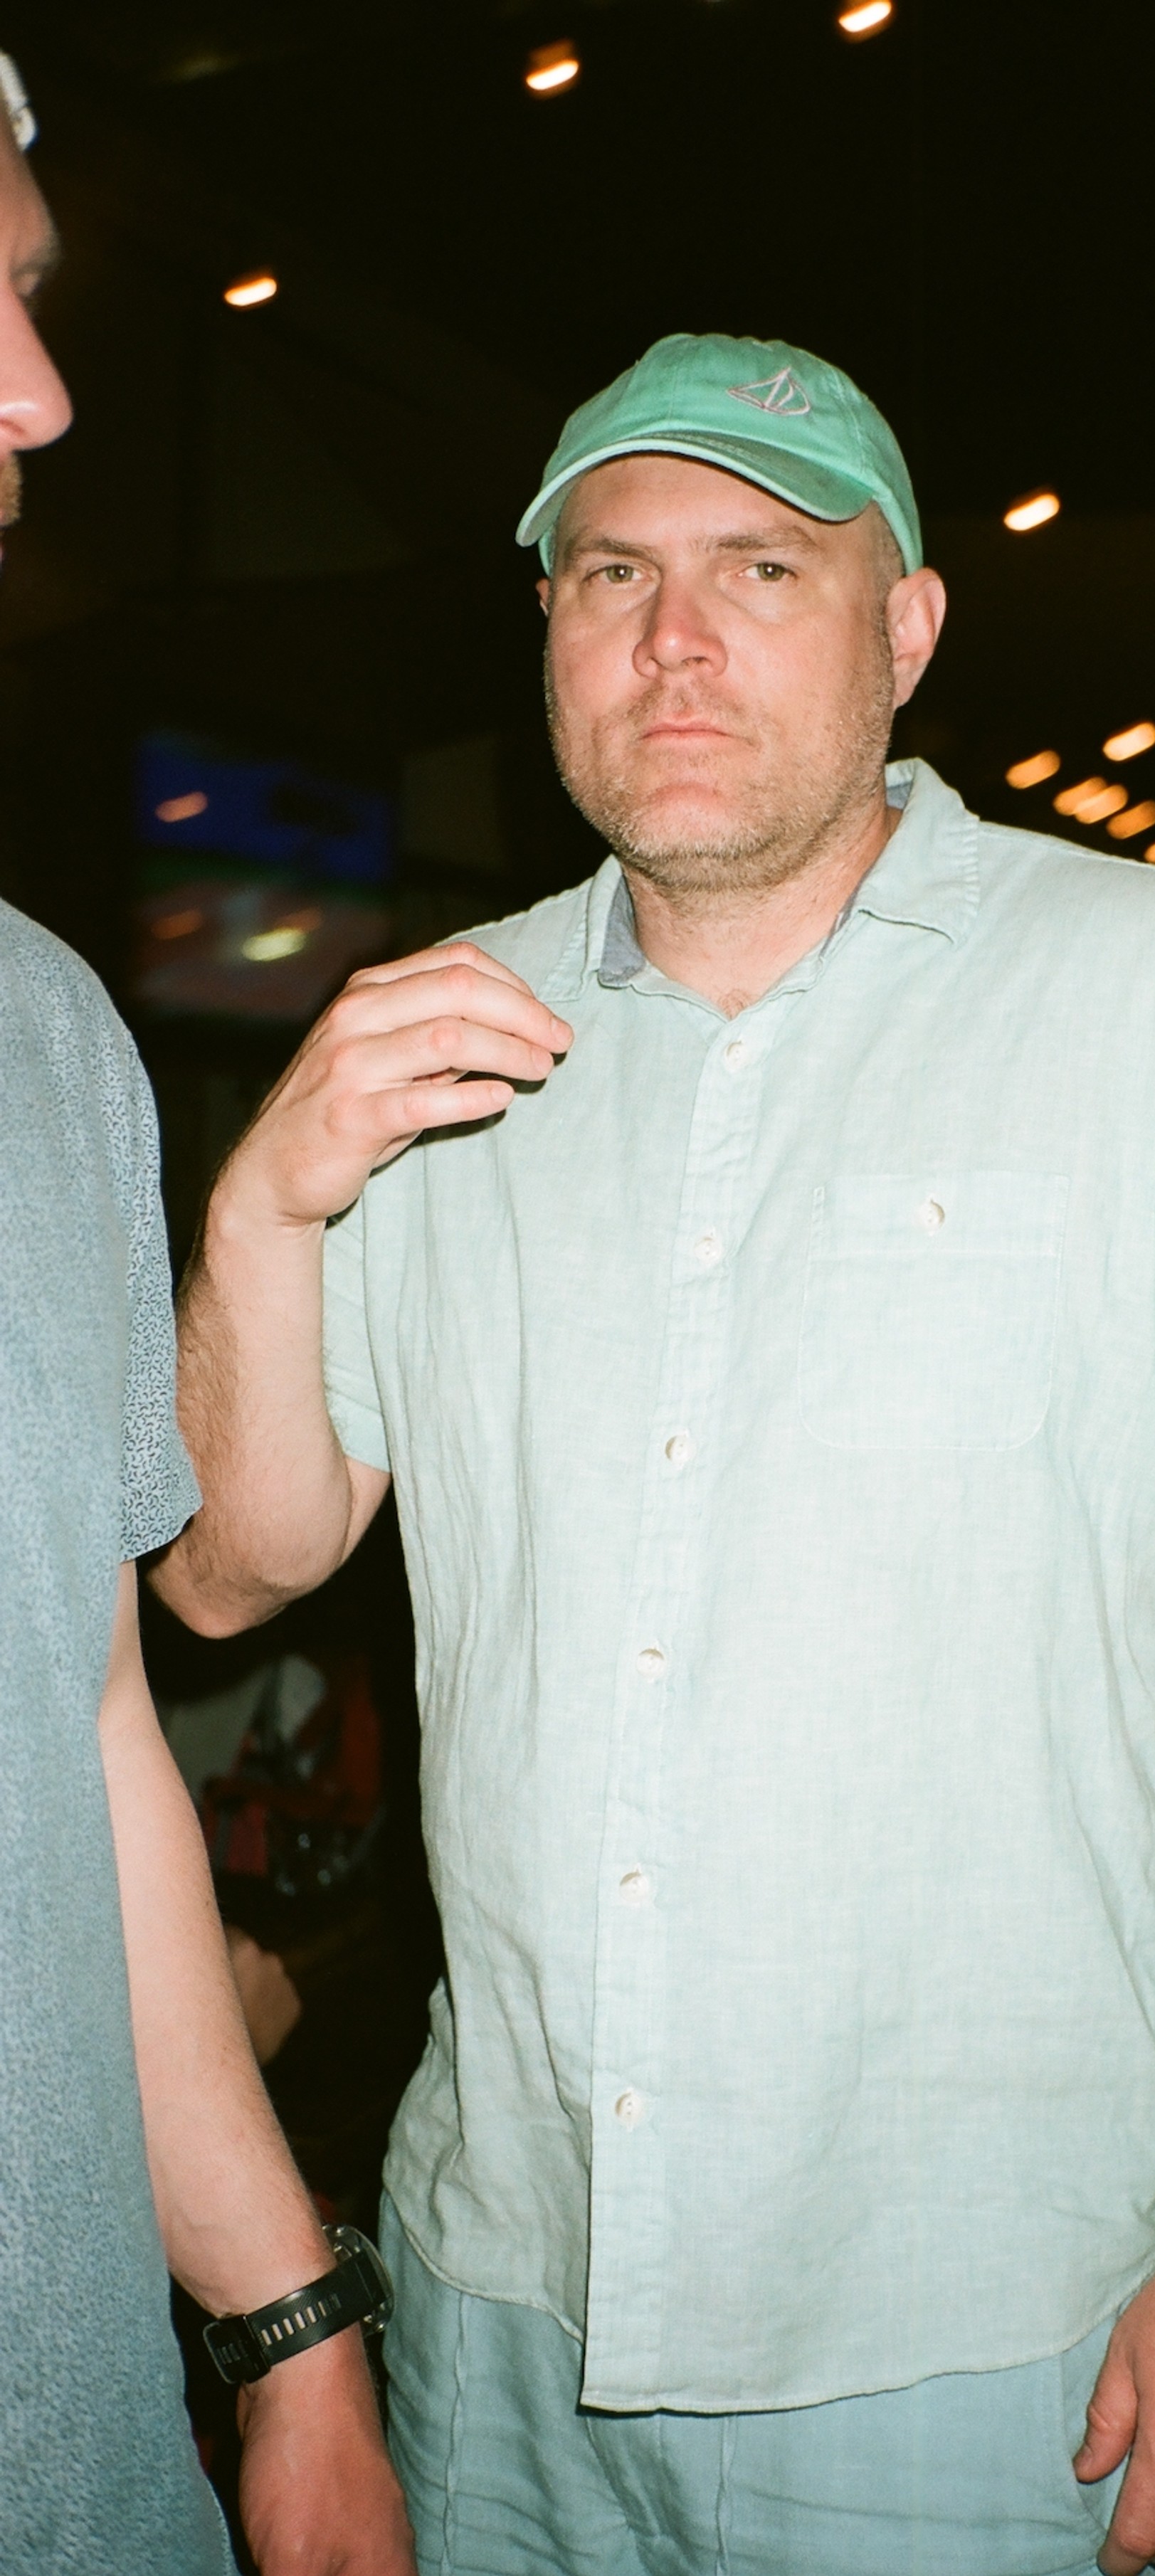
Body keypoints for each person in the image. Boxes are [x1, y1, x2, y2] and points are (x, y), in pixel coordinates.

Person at [156, 330, 1155, 2576]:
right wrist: (261, 1211)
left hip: (980, 2333)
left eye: (762, 567)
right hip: (507, 2297)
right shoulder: (437, 1037)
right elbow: (229, 1568)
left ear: (908, 627)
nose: (674, 638)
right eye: (613, 575)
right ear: (549, 630)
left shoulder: (1153, 992)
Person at [0, 53, 415, 2576]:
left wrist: (292, 2335)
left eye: (29, 297)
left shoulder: (49, 1035)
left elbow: (90, 1730)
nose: (42, 392)